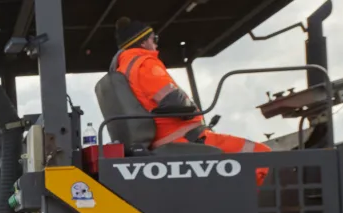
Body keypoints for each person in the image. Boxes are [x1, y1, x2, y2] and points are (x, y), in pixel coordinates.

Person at [112, 17, 271, 184]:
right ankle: (248, 208)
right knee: (262, 156)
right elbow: (175, 101)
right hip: (184, 136)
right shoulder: (145, 64)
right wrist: (192, 109)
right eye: (154, 39)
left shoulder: (124, 68)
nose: (156, 44)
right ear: (143, 42)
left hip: (168, 136)